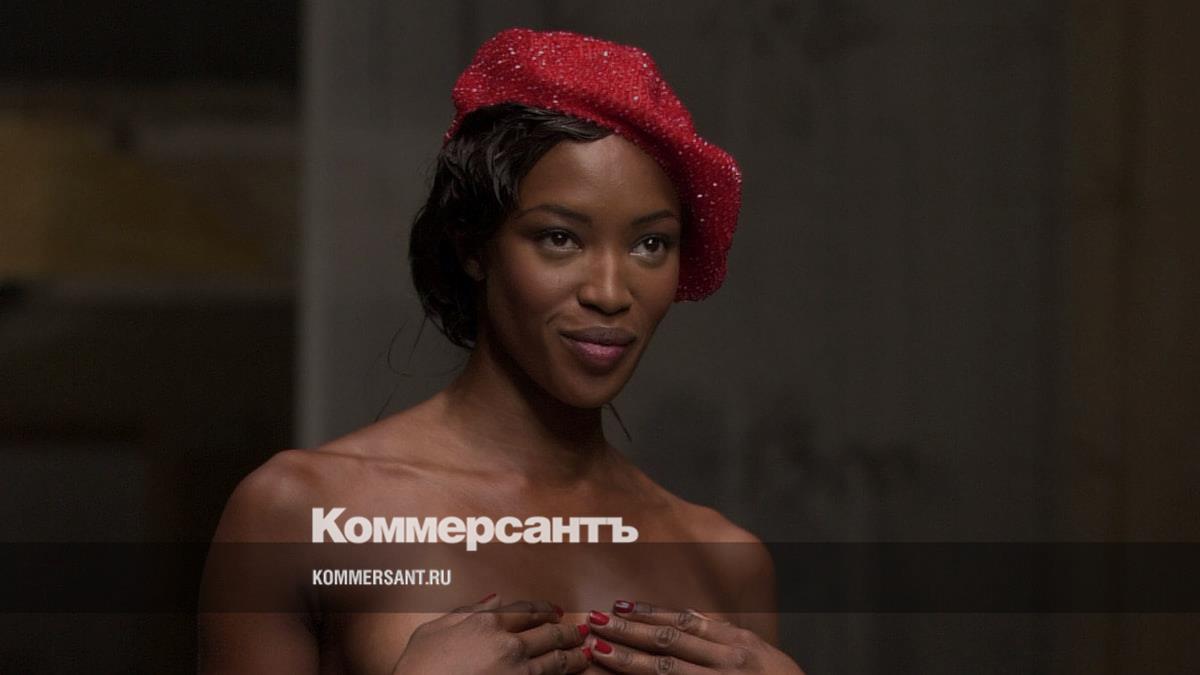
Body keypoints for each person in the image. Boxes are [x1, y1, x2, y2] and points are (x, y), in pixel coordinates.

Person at [199, 28, 804, 674]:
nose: (609, 292)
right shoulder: (303, 513)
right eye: (559, 238)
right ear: (473, 246)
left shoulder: (725, 561)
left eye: (650, 245)